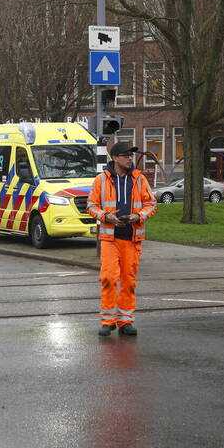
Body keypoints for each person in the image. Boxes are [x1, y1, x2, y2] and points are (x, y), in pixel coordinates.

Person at [87, 141, 157, 337]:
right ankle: (108, 321)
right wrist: (106, 216)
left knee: (128, 280)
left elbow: (151, 204)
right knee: (109, 278)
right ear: (115, 158)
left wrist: (138, 216)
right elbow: (91, 205)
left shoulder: (139, 179)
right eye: (126, 155)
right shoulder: (101, 179)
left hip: (132, 238)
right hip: (110, 238)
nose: (129, 159)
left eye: (130, 156)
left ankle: (125, 320)